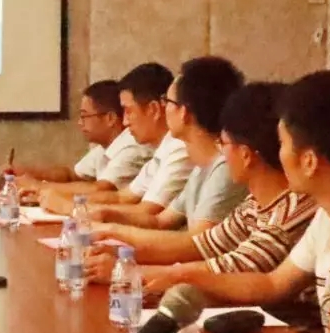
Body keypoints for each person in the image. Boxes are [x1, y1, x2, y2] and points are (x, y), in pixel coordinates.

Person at [145, 72, 330, 333]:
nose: (277, 155)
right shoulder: (329, 215)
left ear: (308, 161)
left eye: (282, 143)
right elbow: (273, 283)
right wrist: (184, 277)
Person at [89, 56, 247, 232]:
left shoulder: (225, 166)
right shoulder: (201, 167)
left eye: (167, 102)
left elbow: (195, 242)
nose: (163, 109)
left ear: (184, 112)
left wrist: (114, 231)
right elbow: (160, 221)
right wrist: (107, 215)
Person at [40, 62, 192, 217]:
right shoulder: (164, 148)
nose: (124, 122)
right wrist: (65, 200)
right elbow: (122, 197)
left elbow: (147, 212)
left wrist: (71, 207)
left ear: (153, 109)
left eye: (128, 111)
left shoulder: (180, 148)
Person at [14, 80, 152, 194]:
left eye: (84, 116)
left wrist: (38, 186)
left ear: (110, 118)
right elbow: (70, 175)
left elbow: (101, 189)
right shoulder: (104, 147)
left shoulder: (132, 146)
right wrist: (25, 172)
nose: (80, 123)